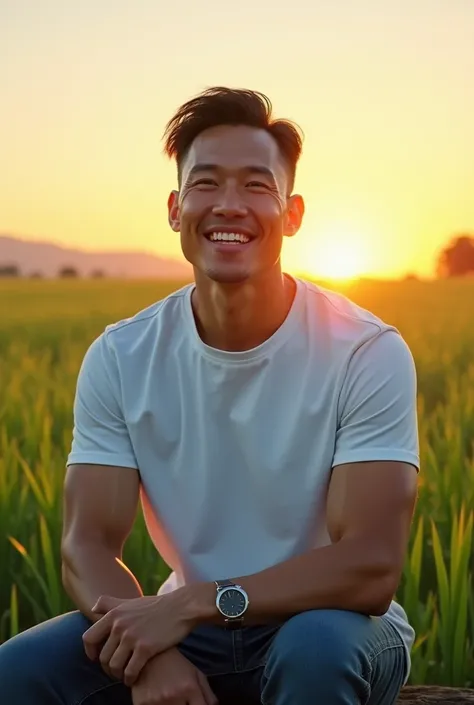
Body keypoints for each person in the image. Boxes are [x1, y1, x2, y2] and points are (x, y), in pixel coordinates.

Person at [0, 86, 419, 705]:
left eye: (256, 186)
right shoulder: (122, 356)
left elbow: (369, 567)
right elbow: (86, 544)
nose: (229, 206)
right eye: (206, 184)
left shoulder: (365, 350)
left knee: (315, 654)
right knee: (17, 672)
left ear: (293, 213)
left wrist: (199, 600)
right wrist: (152, 655)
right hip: (190, 631)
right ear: (175, 208)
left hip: (331, 623)